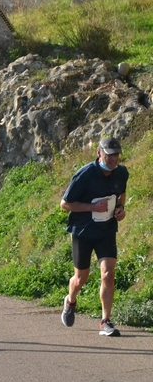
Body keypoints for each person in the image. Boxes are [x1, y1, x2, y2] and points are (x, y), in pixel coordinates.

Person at [59, 137, 128, 337]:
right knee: (81, 277)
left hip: (106, 230)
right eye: (109, 154)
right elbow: (65, 204)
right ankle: (70, 300)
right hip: (83, 231)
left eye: (116, 155)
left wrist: (121, 210)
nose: (113, 159)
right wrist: (91, 207)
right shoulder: (85, 175)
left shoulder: (121, 173)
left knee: (108, 273)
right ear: (99, 153)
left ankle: (105, 321)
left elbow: (121, 194)